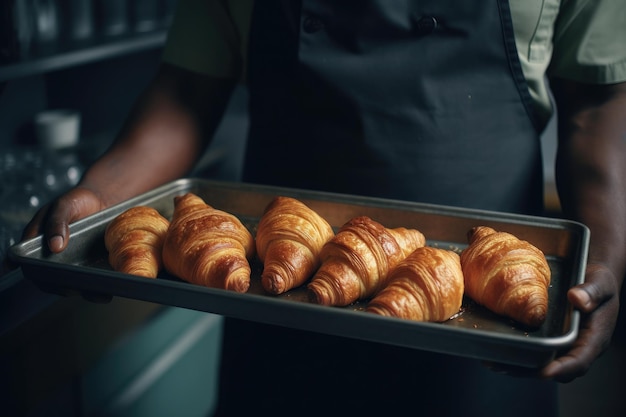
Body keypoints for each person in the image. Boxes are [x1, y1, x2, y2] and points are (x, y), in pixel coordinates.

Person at [23, 0, 626, 416]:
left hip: (484, 326)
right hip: (275, 300)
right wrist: (101, 198)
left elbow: (596, 107)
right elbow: (186, 89)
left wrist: (607, 256)